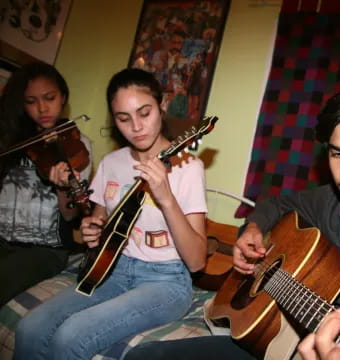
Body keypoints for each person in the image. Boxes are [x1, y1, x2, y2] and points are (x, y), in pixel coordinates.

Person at [124, 88, 340, 360]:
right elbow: (277, 203)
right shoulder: (330, 199)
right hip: (279, 335)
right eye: (336, 153)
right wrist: (253, 228)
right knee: (146, 355)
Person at [13, 67, 208, 360]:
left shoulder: (188, 167)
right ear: (114, 120)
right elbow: (96, 223)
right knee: (29, 328)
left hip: (164, 281)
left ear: (162, 106)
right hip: (111, 269)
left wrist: (166, 198)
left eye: (145, 113)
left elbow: (196, 261)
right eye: (123, 118)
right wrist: (93, 229)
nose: (137, 127)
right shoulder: (111, 162)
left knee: (70, 337)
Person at [0, 62, 92, 306]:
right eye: (31, 101)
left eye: (49, 98)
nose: (42, 108)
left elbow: (71, 213)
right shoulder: (11, 138)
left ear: (63, 97)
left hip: (43, 249)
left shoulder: (77, 146)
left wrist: (63, 187)